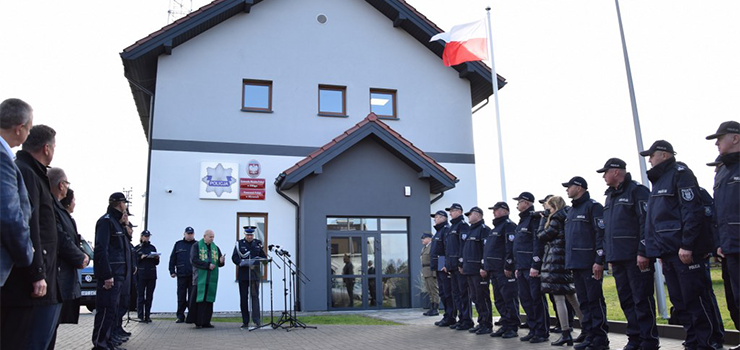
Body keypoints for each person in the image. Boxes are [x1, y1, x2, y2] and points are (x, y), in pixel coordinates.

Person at [640, 140, 715, 350]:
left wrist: (687, 244)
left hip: (683, 251)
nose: (649, 159)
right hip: (668, 252)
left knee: (695, 300)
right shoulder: (660, 180)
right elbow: (656, 221)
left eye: (651, 155)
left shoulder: (680, 173)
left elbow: (691, 211)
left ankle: (705, 344)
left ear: (664, 155)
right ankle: (692, 341)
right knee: (680, 301)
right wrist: (659, 252)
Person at [4, 125, 62, 350]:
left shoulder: (36, 174)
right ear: (46, 148)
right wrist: (37, 272)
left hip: (41, 280)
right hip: (31, 285)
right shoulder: (26, 172)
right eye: (54, 147)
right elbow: (29, 226)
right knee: (29, 341)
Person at [598, 158, 659, 350]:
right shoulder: (610, 197)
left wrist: (643, 251)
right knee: (626, 301)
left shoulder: (637, 191)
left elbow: (646, 222)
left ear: (616, 172)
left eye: (605, 172)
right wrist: (609, 257)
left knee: (642, 299)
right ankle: (635, 338)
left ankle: (649, 340)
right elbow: (608, 230)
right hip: (618, 258)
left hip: (636, 257)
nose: (603, 176)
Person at [0, 98, 34, 349]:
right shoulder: (3, 158)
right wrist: (27, 256)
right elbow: (10, 214)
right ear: (20, 127)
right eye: (30, 128)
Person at [562, 176, 609, 350]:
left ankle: (600, 340)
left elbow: (600, 234)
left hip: (590, 264)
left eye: (569, 186)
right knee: (584, 303)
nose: (567, 189)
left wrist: (599, 260)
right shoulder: (572, 211)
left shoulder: (593, 207)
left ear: (579, 187)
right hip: (576, 264)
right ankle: (589, 335)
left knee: (594, 301)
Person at [47, 168, 89, 350]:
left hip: (59, 278)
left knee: (51, 329)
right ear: (61, 185)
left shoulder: (59, 211)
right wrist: (81, 257)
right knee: (45, 329)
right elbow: (61, 239)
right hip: (54, 276)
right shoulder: (52, 207)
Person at [707, 121, 740, 348]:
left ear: (735, 138)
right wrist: (719, 243)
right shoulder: (724, 172)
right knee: (736, 300)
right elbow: (719, 214)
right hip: (731, 248)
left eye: (720, 138)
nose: (717, 143)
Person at [537, 196, 583, 347]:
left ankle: (565, 333)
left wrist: (543, 219)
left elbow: (542, 236)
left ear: (553, 206)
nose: (546, 210)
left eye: (548, 207)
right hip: (565, 260)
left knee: (559, 299)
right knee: (572, 296)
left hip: (555, 261)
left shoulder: (555, 219)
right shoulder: (567, 216)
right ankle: (587, 328)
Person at [92, 192, 132, 350]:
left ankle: (107, 342)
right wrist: (107, 274)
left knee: (112, 311)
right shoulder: (106, 221)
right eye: (124, 203)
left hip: (119, 274)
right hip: (111, 275)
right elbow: (101, 250)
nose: (126, 206)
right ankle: (100, 344)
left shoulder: (117, 222)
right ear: (120, 204)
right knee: (106, 310)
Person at [512, 191, 549, 343]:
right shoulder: (522, 220)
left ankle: (541, 331)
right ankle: (533, 329)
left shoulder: (534, 219)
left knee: (536, 300)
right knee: (526, 300)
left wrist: (536, 265)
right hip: (521, 267)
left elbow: (537, 243)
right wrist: (517, 266)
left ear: (526, 203)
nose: (517, 204)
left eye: (519, 202)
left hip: (531, 268)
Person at [485, 202, 519, 339]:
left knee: (509, 298)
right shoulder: (496, 228)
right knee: (499, 300)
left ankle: (512, 326)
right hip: (494, 269)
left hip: (503, 270)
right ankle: (505, 324)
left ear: (505, 211)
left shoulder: (508, 225)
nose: (494, 212)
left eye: (496, 210)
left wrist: (508, 265)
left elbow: (510, 247)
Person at [460, 207, 492, 334]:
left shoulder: (484, 230)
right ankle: (481, 322)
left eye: (470, 214)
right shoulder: (470, 231)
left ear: (478, 215)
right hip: (469, 270)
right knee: (475, 297)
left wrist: (484, 267)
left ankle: (487, 324)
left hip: (479, 271)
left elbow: (486, 250)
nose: (468, 216)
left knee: (482, 296)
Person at [187, 229, 225, 329]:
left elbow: (219, 264)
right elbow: (194, 260)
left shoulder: (215, 248)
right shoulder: (196, 246)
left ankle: (206, 321)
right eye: (210, 237)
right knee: (199, 300)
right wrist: (207, 265)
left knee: (209, 301)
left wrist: (221, 261)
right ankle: (198, 321)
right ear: (204, 236)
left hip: (211, 279)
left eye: (213, 237)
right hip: (199, 278)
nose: (212, 239)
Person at [231, 226, 267, 329]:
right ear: (245, 234)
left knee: (255, 297)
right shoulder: (239, 244)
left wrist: (257, 262)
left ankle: (256, 320)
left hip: (254, 274)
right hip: (243, 274)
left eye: (251, 235)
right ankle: (245, 321)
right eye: (248, 235)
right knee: (243, 298)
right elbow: (234, 257)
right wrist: (241, 263)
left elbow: (263, 257)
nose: (250, 237)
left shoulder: (257, 243)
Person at [444, 203, 472, 330]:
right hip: (452, 267)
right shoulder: (451, 227)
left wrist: (461, 263)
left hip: (459, 267)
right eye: (450, 211)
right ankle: (461, 319)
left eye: (452, 211)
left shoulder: (463, 226)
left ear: (460, 212)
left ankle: (467, 320)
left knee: (463, 294)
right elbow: (448, 249)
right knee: (456, 294)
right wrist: (446, 265)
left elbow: (463, 246)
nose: (450, 213)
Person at [430, 210, 454, 326]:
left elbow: (447, 249)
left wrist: (445, 265)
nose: (435, 219)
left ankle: (450, 316)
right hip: (439, 265)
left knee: (447, 293)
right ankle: (447, 315)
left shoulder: (446, 230)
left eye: (437, 217)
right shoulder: (439, 232)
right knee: (443, 293)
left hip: (443, 265)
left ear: (443, 218)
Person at [169, 226, 197, 323]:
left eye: (191, 234)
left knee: (192, 297)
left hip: (193, 275)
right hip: (181, 275)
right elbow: (172, 259)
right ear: (184, 234)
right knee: (181, 296)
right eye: (188, 234)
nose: (190, 235)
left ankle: (191, 316)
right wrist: (172, 271)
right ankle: (180, 316)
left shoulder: (197, 244)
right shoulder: (178, 244)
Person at [136, 230, 159, 323]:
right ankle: (140, 316)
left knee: (149, 296)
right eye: (145, 236)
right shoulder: (137, 248)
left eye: (148, 236)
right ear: (141, 237)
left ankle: (147, 315)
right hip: (141, 275)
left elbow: (156, 263)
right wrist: (140, 257)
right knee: (140, 296)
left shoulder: (152, 247)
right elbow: (134, 261)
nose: (147, 238)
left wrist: (157, 258)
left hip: (151, 275)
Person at [420, 232, 440, 317]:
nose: (422, 240)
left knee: (434, 290)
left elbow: (436, 259)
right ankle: (432, 307)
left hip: (431, 271)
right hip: (426, 271)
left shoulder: (432, 247)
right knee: (429, 290)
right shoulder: (425, 248)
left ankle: (435, 308)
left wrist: (435, 272)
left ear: (430, 238)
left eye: (424, 238)